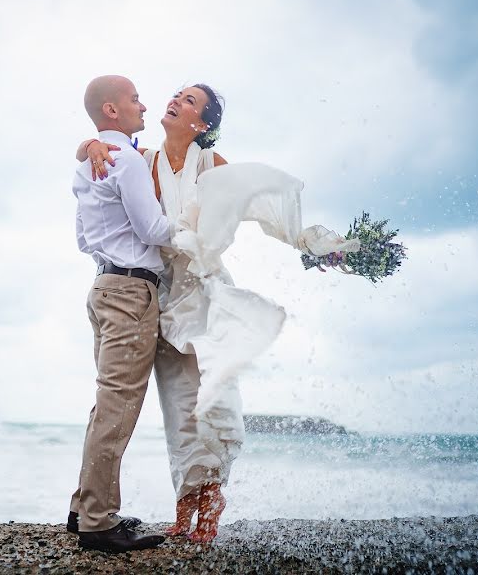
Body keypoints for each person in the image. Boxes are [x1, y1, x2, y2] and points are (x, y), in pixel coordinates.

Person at [78, 85, 359, 542]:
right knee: (176, 407)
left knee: (207, 399)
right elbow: (100, 148)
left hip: (200, 294)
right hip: (157, 298)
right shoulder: (141, 158)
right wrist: (89, 144)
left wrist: (316, 244)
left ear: (203, 125)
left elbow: (267, 213)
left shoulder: (212, 166)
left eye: (189, 101)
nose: (174, 101)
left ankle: (210, 498)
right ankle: (184, 502)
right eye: (176, 94)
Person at [68, 75, 170, 553]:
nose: (143, 106)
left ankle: (83, 507)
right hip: (130, 292)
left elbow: (84, 240)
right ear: (111, 110)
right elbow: (152, 229)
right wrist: (195, 226)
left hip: (103, 286)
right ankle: (97, 522)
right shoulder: (125, 162)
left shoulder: (87, 165)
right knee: (117, 406)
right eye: (134, 99)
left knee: (105, 404)